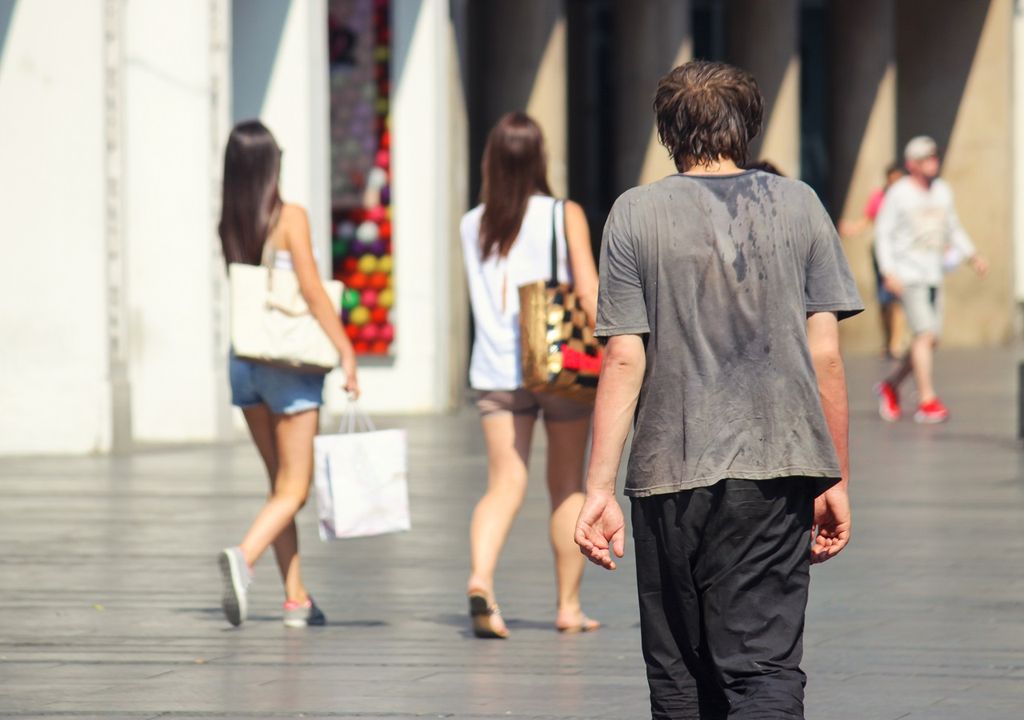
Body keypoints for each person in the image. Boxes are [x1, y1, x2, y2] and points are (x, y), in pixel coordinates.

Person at [574, 60, 862, 718]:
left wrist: (598, 488)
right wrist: (835, 477)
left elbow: (623, 356)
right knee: (763, 664)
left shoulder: (633, 214)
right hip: (781, 462)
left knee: (680, 666)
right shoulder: (802, 205)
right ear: (750, 127)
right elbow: (827, 357)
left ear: (667, 131)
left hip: (669, 469)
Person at [460, 112, 600, 639]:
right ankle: (568, 606)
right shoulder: (563, 214)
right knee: (565, 485)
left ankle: (481, 579)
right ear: (540, 158)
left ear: (491, 161)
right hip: (559, 365)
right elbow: (587, 292)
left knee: (504, 483)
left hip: (495, 369)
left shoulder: (472, 222)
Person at [217, 121, 359, 628]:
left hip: (246, 363)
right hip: (290, 366)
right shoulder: (289, 216)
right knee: (294, 489)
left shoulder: (231, 220)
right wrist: (346, 350)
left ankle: (297, 599)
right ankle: (244, 557)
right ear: (269, 164)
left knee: (279, 486)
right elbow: (313, 291)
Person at [874, 136, 988, 423]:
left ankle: (892, 385)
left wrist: (972, 256)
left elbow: (953, 227)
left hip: (933, 273)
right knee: (923, 335)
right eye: (926, 158)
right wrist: (888, 271)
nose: (933, 162)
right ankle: (927, 400)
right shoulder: (899, 193)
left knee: (929, 340)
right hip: (909, 273)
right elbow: (883, 233)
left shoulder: (942, 191)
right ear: (912, 164)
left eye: (935, 156)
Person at [839, 162, 907, 358]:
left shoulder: (908, 196)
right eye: (891, 179)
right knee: (884, 300)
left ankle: (896, 341)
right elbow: (868, 219)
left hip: (899, 255)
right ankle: (888, 339)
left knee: (896, 300)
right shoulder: (880, 197)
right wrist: (852, 228)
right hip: (880, 253)